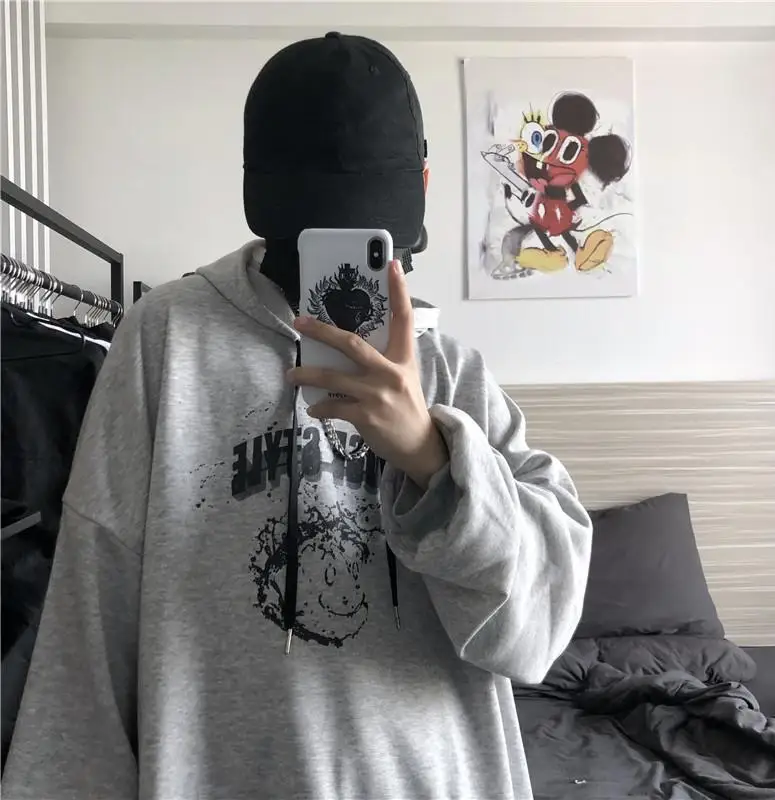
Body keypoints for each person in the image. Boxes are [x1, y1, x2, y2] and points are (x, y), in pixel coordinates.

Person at [3, 33, 592, 800]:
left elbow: (536, 633)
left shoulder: (453, 375)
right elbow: (91, 609)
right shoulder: (166, 339)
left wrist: (433, 456)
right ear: (422, 182)